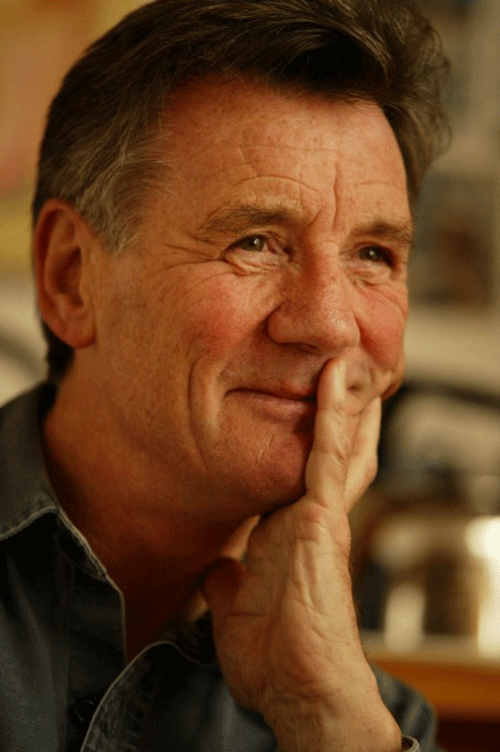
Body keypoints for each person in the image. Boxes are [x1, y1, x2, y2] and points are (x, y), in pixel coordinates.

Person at [0, 1, 450, 750]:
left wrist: (328, 715)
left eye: (374, 256)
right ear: (72, 278)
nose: (333, 324)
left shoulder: (368, 718)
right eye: (258, 241)